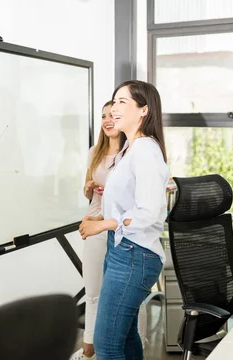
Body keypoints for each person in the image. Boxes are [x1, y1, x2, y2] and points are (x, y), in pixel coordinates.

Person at [79, 80, 169, 360]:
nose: (114, 109)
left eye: (122, 102)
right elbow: (127, 203)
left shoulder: (145, 150)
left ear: (143, 110)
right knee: (126, 336)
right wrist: (101, 214)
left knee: (106, 345)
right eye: (113, 101)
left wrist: (104, 224)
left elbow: (150, 212)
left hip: (135, 256)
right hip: (122, 251)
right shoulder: (130, 148)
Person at [70, 101, 148, 360]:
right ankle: (88, 349)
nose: (107, 120)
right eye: (103, 116)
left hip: (123, 230)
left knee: (126, 298)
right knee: (93, 293)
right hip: (95, 227)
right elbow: (87, 191)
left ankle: (136, 345)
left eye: (113, 115)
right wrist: (89, 187)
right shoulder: (95, 152)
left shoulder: (133, 153)